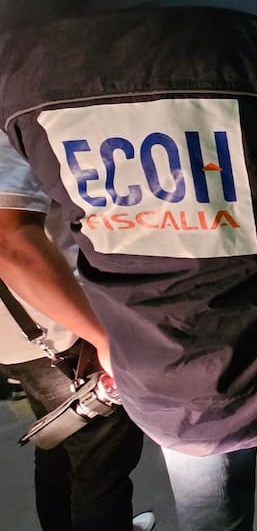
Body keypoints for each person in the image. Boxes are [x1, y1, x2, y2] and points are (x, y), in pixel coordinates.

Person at [0, 0, 257, 531]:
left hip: (163, 379)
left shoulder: (16, 20)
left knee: (210, 520)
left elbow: (10, 236)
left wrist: (107, 342)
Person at [0, 132, 154, 531]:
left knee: (60, 441)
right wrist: (102, 337)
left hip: (22, 333)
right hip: (57, 331)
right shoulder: (9, 129)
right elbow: (9, 243)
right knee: (101, 467)